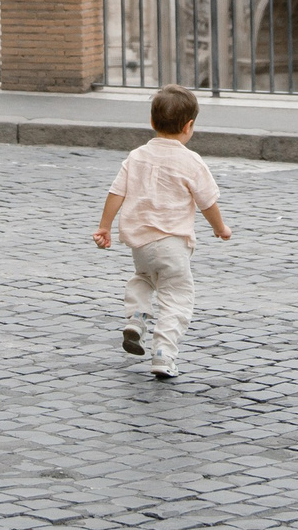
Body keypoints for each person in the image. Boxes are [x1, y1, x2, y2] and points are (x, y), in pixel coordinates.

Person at [90, 85, 232, 379]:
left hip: (139, 245)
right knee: (177, 297)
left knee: (143, 278)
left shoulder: (137, 156)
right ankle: (163, 354)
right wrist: (221, 228)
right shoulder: (191, 161)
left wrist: (104, 226)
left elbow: (116, 192)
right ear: (189, 126)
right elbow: (208, 202)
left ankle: (136, 317)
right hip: (172, 245)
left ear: (152, 122)